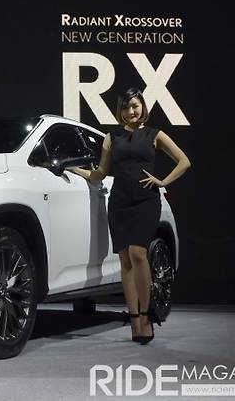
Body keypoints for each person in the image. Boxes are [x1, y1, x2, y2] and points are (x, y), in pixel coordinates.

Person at [69, 87, 191, 344]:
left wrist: (162, 181)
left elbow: (184, 161)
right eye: (126, 107)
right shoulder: (111, 137)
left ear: (143, 106)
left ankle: (146, 316)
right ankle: (134, 319)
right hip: (119, 203)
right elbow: (100, 173)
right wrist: (75, 170)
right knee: (124, 260)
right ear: (120, 111)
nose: (131, 111)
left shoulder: (154, 135)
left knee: (138, 254)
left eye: (135, 105)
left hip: (146, 201)